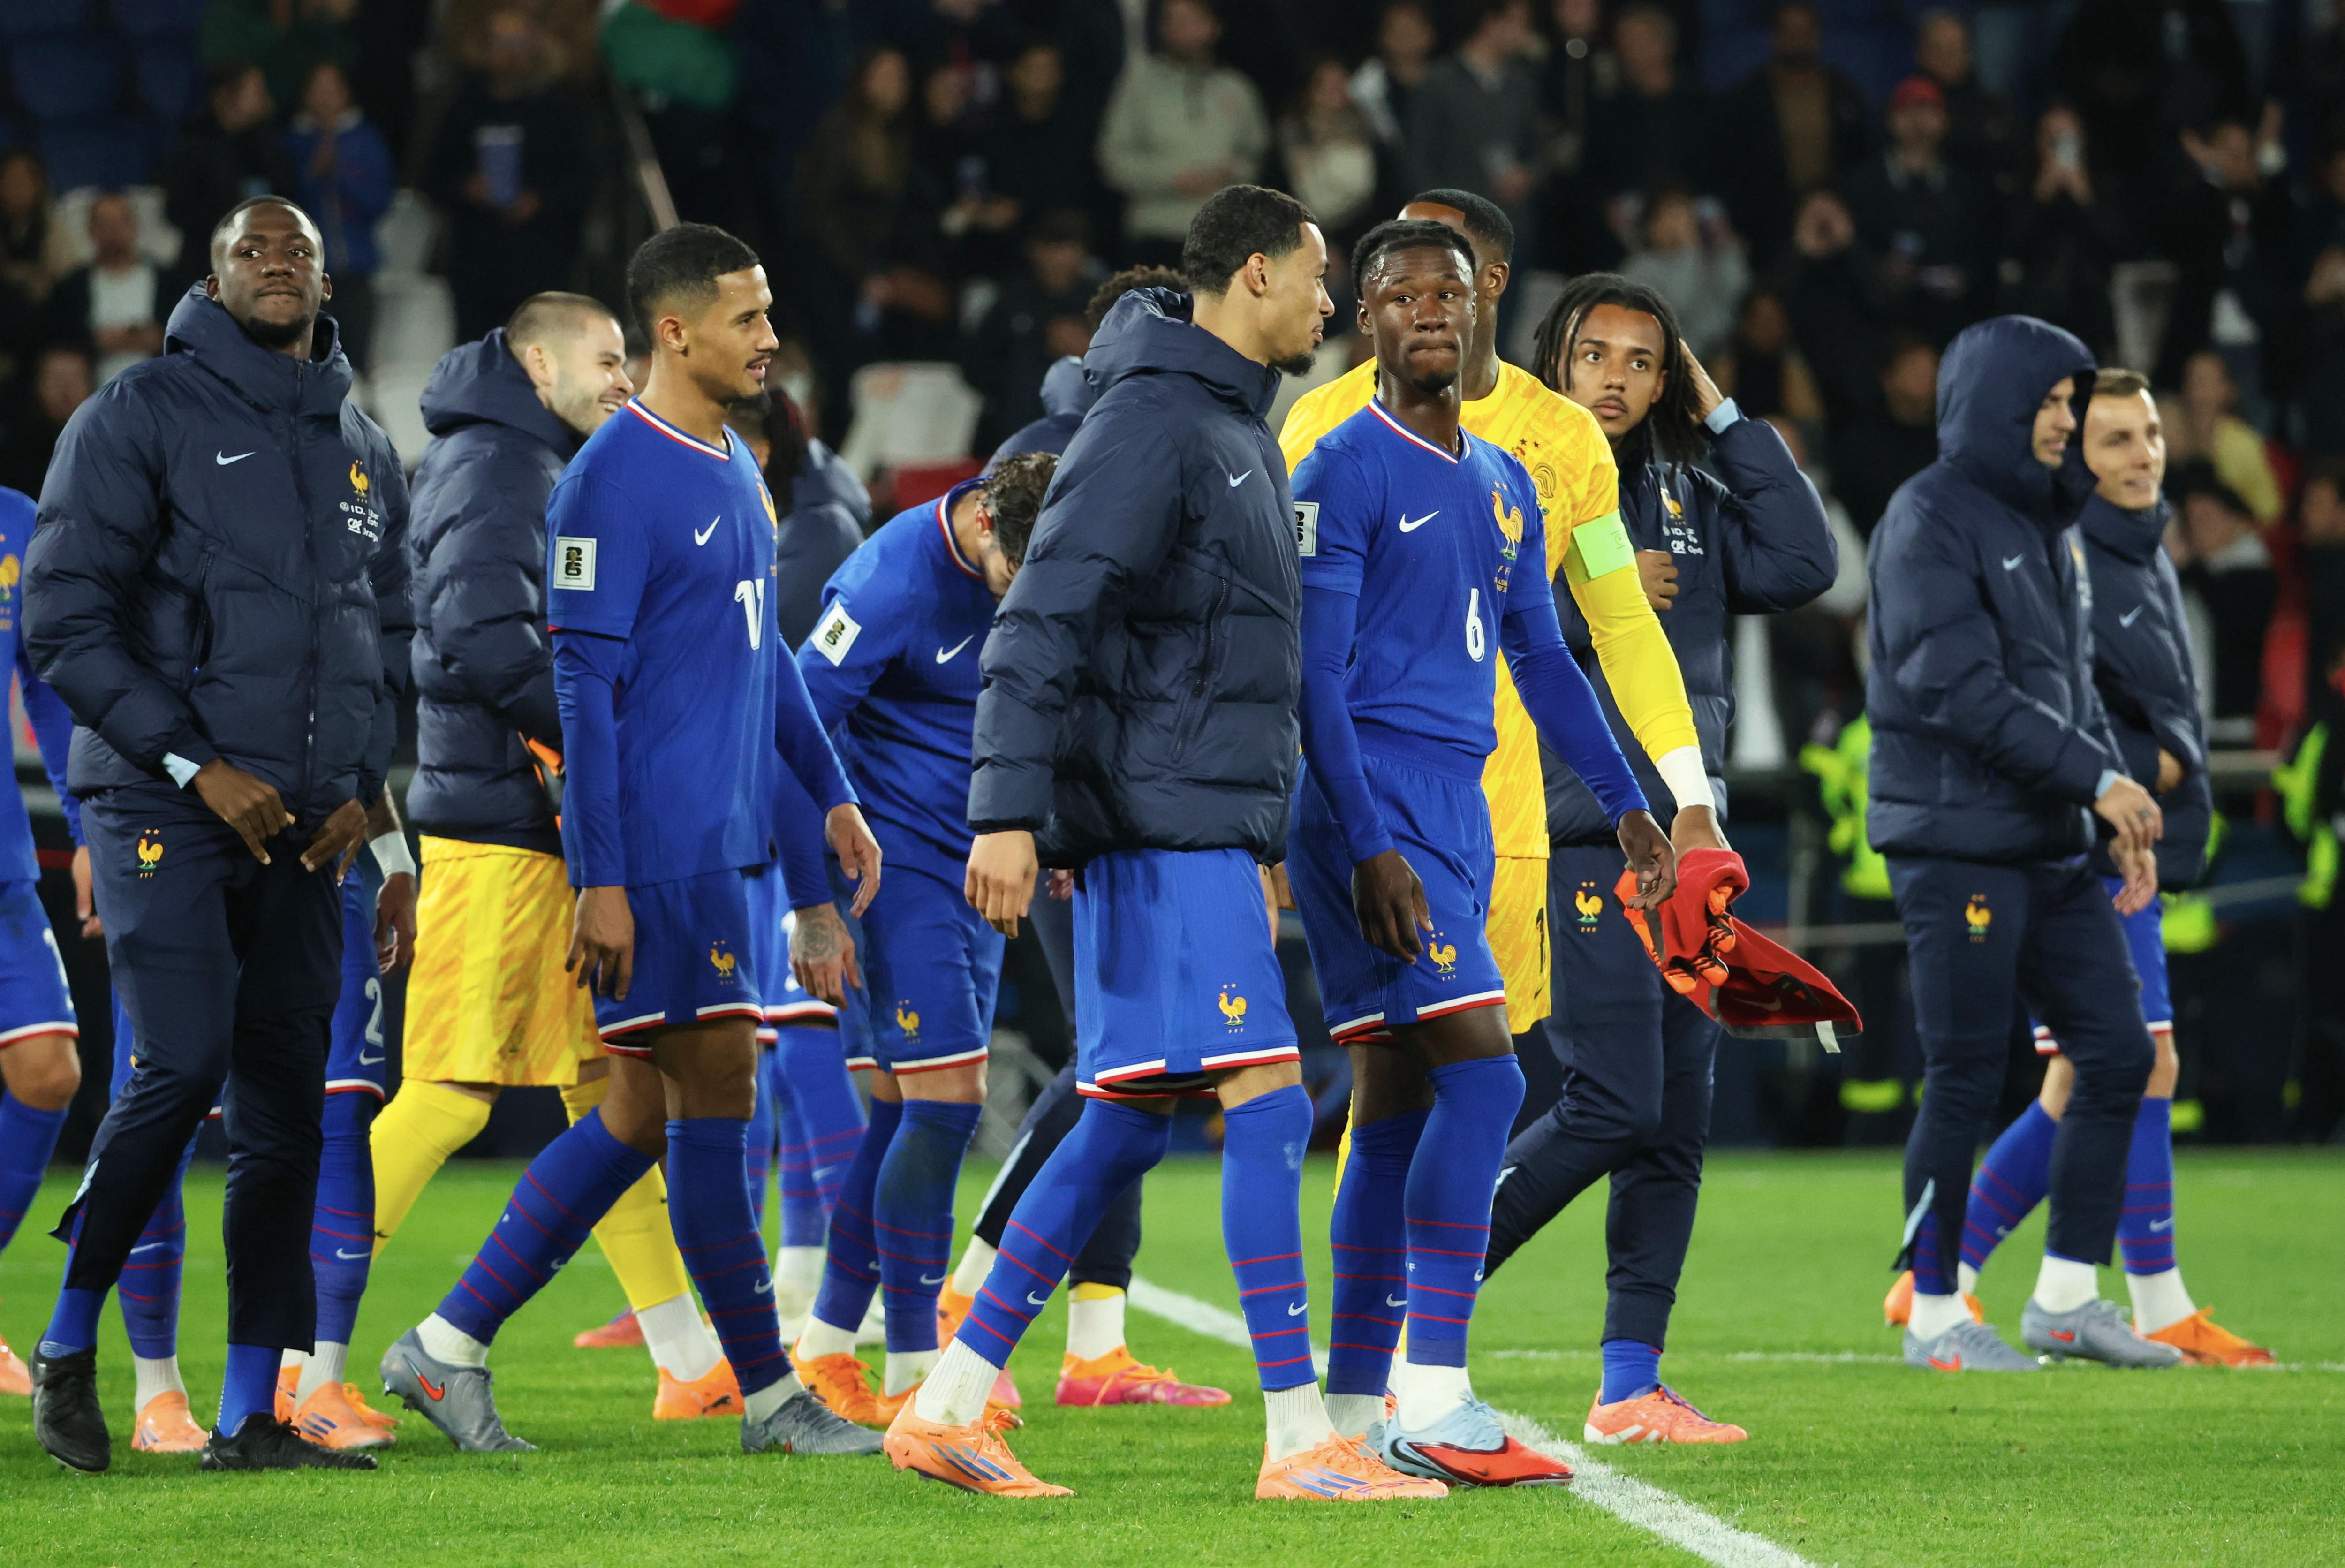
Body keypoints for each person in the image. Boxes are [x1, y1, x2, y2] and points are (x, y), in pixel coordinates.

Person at [887, 184, 1431, 1501]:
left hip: (1192, 819)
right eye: (1318, 277)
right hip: (1160, 822)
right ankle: (1298, 1438)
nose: (1331, 302)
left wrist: (1263, 823)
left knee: (1123, 1120)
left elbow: (1218, 651)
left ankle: (949, 1400)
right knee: (1269, 1101)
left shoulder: (1227, 424)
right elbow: (1041, 618)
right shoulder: (1154, 422)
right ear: (1254, 274)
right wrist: (1005, 812)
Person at [377, 224, 885, 1460]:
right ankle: (769, 1396)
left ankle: (446, 1345)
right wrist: (601, 880)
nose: (769, 339)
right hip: (658, 856)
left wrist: (829, 796)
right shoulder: (608, 481)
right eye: (746, 318)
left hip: (723, 845)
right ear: (674, 330)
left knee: (640, 1113)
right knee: (717, 1094)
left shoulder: (735, 464)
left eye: (768, 313)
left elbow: (765, 664)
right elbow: (583, 697)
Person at [24, 196, 412, 1473]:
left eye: (300, 248)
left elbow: (386, 639)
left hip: (309, 826)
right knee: (181, 1065)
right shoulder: (136, 415)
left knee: (287, 1111)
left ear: (327, 278)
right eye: (254, 248)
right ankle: (70, 1343)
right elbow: (63, 624)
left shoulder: (363, 441)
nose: (279, 262)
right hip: (161, 803)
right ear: (212, 276)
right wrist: (196, 762)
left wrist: (363, 790)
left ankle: (252, 1416)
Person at [1287, 220, 1663, 1485]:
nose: (1430, 312)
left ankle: (1353, 1406)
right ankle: (1435, 1390)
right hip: (1372, 802)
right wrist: (1367, 840)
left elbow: (1544, 658)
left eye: (1447, 293)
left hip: (1459, 802)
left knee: (1393, 1099)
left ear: (1481, 307)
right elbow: (1314, 679)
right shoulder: (1338, 468)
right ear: (1367, 320)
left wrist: (1630, 803)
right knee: (1490, 1079)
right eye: (1402, 297)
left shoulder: (1505, 479)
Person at [378, 291, 748, 1420]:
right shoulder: (497, 464)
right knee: (448, 1093)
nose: (623, 380)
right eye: (604, 360)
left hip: (541, 823)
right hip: (492, 826)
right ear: (537, 362)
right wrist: (613, 740)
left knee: (611, 1091)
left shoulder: (536, 462)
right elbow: (484, 641)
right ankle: (291, 1352)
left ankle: (687, 1362)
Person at [1483, 273, 1836, 1441]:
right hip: (1587, 828)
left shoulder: (1692, 486)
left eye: (1644, 361)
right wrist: (1591, 597)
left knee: (1676, 1117)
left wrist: (1721, 414)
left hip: (1696, 836)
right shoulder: (1516, 472)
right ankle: (1410, 1306)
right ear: (1555, 359)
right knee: (1611, 1102)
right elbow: (1469, 619)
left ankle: (1629, 1383)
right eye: (1596, 355)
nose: (1616, 379)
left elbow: (1804, 563)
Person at [1281, 189, 1705, 1106]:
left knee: (1467, 1092)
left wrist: (1676, 797)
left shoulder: (1559, 445)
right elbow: (1286, 641)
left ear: (1490, 283)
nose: (1425, 294)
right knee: (1425, 1083)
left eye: (1445, 271)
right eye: (1402, 278)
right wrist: (1274, 810)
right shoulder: (1320, 431)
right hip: (1372, 805)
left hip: (1507, 826)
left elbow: (1616, 627)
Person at [1897, 369, 2273, 1366]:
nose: (2142, 455)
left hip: (2123, 839)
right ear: (2069, 453)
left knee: (2095, 1070)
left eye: (2150, 434)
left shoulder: (2139, 549)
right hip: (2087, 841)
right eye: (2113, 440)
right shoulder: (2074, 554)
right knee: (2132, 1060)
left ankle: (1964, 1271)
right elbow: (2058, 704)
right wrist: (2156, 765)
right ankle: (2139, 1297)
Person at [1866, 315, 2182, 1373]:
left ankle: (2064, 1297)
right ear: (1999, 403)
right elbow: (1955, 689)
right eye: (2048, 402)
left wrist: (2112, 812)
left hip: (2048, 841)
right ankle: (1933, 1311)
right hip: (1954, 841)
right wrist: (2097, 779)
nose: (2063, 421)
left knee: (2120, 1053)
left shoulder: (2050, 521)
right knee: (1962, 1073)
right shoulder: (1927, 517)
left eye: (2067, 403)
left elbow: (2071, 688)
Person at [933, 262, 1220, 1414]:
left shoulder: (1161, 435)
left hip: (1143, 803)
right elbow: (1032, 652)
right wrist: (1038, 813)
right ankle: (972, 1288)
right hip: (1076, 814)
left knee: (1139, 1065)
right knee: (1114, 1060)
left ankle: (1096, 1344)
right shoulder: (1067, 454)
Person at [784, 454, 1058, 1424]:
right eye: (1017, 572)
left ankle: (826, 1350)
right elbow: (793, 727)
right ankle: (912, 1367)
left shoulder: (1030, 564)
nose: (1026, 596)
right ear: (984, 525)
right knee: (946, 1104)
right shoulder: (891, 578)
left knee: (907, 1111)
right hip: (895, 868)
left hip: (978, 868)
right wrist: (812, 904)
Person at [0, 484, 88, 1398]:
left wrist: (89, 828)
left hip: (3, 868)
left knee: (49, 1071)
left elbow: (53, 692)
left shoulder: (18, 525)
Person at [422, 7, 591, 341]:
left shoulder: (558, 110)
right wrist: (467, 189)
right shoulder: (464, 108)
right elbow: (432, 177)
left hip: (542, 264)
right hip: (476, 266)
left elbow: (585, 181)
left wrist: (539, 202)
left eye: (518, 44)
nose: (511, 55)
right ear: (485, 49)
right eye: (502, 44)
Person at [1096, 0, 1270, 269]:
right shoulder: (1139, 85)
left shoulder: (1237, 89)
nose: (1181, 30)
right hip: (1155, 235)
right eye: (1172, 21)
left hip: (1225, 238)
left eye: (1191, 21)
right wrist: (1171, 180)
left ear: (1213, 27)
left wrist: (1230, 173)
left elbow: (1258, 157)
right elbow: (1112, 160)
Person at [282, 61, 394, 374]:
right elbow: (283, 202)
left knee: (354, 363)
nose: (325, 99)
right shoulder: (294, 141)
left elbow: (379, 201)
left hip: (355, 271)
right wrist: (312, 174)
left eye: (332, 90)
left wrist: (341, 176)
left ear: (346, 94)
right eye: (318, 90)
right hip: (305, 274)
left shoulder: (366, 140)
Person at [159, 62, 296, 300]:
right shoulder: (195, 145)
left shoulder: (266, 144)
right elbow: (177, 211)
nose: (263, 99)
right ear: (224, 95)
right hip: (207, 271)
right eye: (255, 91)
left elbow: (287, 194)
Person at [1407, 0, 1543, 216]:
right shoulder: (1439, 83)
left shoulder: (1521, 84)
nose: (1525, 32)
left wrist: (1527, 175)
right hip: (1456, 224)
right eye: (1521, 22)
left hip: (1513, 222)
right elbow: (1419, 159)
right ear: (1492, 23)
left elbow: (1536, 147)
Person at [46, 194, 164, 387]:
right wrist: (94, 342)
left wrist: (160, 339)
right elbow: (58, 338)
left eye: (121, 222)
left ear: (135, 227)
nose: (113, 231)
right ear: (91, 230)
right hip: (91, 390)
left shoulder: (168, 281)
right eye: (105, 224)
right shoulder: (71, 287)